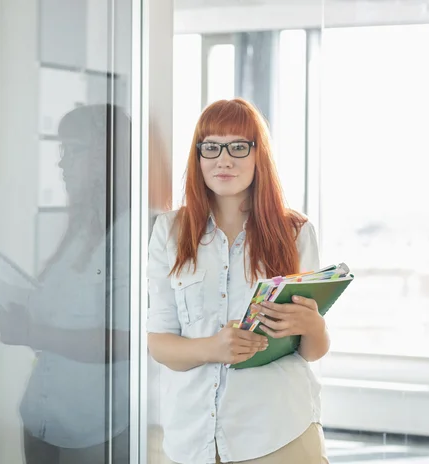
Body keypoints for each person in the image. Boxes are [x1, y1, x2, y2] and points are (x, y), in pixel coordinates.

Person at [147, 98, 330, 464]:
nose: (223, 159)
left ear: (257, 155)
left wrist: (314, 325)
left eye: (238, 147)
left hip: (278, 435)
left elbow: (311, 350)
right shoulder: (170, 231)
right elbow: (159, 342)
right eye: (211, 147)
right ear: (198, 156)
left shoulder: (295, 232)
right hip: (191, 440)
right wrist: (213, 348)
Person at [0, 104, 131, 463]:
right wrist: (14, 306)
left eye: (73, 150)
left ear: (107, 156)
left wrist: (33, 333)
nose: (62, 164)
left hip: (93, 427)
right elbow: (62, 316)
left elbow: (124, 340)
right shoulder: (78, 231)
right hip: (43, 415)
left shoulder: (130, 234)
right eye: (61, 151)